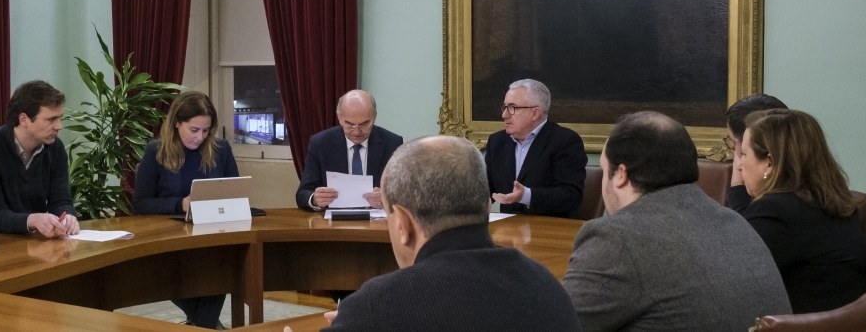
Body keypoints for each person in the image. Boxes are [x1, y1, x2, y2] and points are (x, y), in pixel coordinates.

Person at [321, 135, 581, 331]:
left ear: (403, 223)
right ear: (487, 205)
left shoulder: (377, 305)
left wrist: (358, 320)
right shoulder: (549, 288)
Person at [563, 111, 790, 331]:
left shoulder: (616, 237)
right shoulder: (734, 221)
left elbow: (556, 323)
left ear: (621, 174)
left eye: (605, 171)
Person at [737, 109, 866, 313]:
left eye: (743, 154)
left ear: (769, 163)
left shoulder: (775, 211)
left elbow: (731, 283)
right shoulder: (830, 199)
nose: (739, 166)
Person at [133, 90, 238, 329]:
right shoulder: (155, 151)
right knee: (173, 277)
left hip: (214, 235)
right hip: (171, 239)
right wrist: (180, 204)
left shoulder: (221, 149)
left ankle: (202, 325)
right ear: (177, 123)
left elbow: (235, 193)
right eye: (194, 130)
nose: (200, 137)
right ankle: (208, 325)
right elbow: (141, 203)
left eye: (205, 130)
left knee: (221, 268)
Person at [0, 80, 79, 238]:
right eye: (51, 119)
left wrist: (67, 217)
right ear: (24, 119)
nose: (59, 126)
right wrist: (33, 220)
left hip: (29, 240)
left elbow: (60, 200)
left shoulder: (55, 147)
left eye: (59, 118)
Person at [484, 79, 586, 217]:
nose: (504, 115)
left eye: (512, 108)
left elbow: (571, 196)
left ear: (535, 113)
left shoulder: (565, 141)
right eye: (504, 107)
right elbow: (484, 189)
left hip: (550, 229)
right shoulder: (497, 142)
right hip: (508, 230)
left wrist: (526, 195)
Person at [296, 90, 404, 211]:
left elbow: (404, 194)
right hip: (334, 224)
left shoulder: (392, 143)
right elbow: (302, 194)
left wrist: (386, 199)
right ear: (339, 118)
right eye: (349, 124)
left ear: (374, 117)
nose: (357, 131)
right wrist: (315, 199)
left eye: (364, 124)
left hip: (376, 222)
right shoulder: (321, 143)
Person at [723, 93, 788, 211]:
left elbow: (746, 228)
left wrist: (738, 186)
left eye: (733, 142)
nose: (738, 163)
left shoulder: (771, 206)